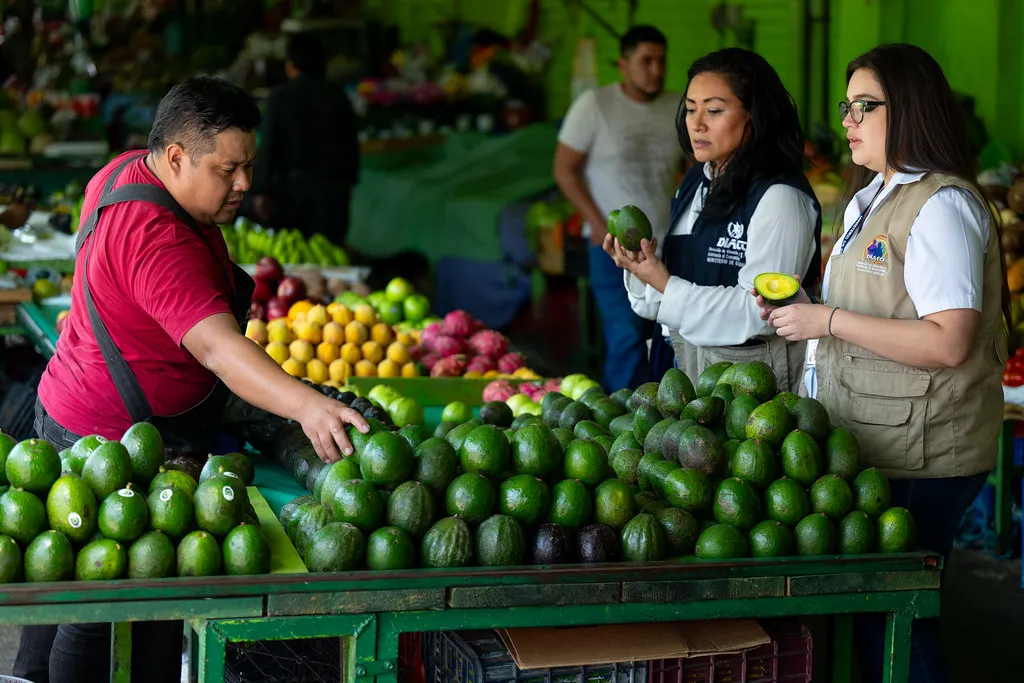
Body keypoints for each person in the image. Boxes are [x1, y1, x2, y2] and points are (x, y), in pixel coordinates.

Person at [15, 76, 368, 683]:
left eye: (249, 166)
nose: (244, 184)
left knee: (65, 587)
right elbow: (219, 348)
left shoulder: (129, 170)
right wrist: (308, 406)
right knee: (95, 607)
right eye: (228, 169)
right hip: (107, 438)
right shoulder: (159, 237)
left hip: (76, 404)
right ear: (176, 157)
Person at [756, 44, 1008, 683]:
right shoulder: (871, 197)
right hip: (875, 437)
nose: (848, 119)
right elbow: (875, 303)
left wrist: (828, 321)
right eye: (847, 106)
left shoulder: (942, 207)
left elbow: (949, 340)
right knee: (876, 616)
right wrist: (806, 312)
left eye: (864, 105)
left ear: (912, 109)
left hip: (925, 451)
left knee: (900, 618)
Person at [604, 48, 821, 391]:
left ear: (754, 116)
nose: (697, 123)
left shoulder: (780, 198)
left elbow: (760, 312)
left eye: (715, 110)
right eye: (690, 109)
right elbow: (659, 304)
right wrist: (641, 269)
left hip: (747, 389)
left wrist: (664, 284)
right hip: (677, 366)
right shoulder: (695, 182)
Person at [554, 25, 683, 392]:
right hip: (612, 250)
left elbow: (691, 168)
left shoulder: (678, 107)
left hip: (664, 246)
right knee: (626, 335)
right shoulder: (595, 106)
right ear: (623, 64)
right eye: (646, 61)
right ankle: (618, 424)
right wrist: (595, 223)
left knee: (665, 338)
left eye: (661, 61)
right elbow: (564, 169)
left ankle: (658, 421)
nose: (656, 70)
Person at [245, 32, 360, 243]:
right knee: (329, 257)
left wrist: (259, 190)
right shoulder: (338, 96)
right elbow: (351, 145)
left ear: (291, 65)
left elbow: (270, 146)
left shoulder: (280, 97)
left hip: (290, 195)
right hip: (332, 194)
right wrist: (348, 184)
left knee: (293, 259)